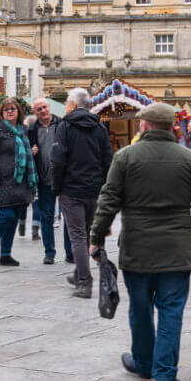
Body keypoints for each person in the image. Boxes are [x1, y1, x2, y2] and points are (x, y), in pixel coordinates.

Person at [90, 102, 191, 381]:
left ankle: (144, 363)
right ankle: (165, 374)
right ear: (173, 126)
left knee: (140, 307)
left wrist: (96, 238)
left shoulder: (125, 157)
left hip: (137, 247)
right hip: (176, 248)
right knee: (172, 309)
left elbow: (108, 201)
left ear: (144, 126)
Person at [52, 87, 113, 298]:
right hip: (94, 189)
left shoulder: (65, 125)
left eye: (67, 102)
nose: (66, 106)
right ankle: (79, 274)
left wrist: (56, 187)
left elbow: (58, 158)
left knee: (77, 235)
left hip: (71, 188)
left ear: (73, 105)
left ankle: (85, 283)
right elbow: (108, 159)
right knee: (86, 234)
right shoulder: (99, 127)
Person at [0, 97, 36, 267]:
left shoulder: (22, 130)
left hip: (20, 182)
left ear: (18, 111)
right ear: (2, 113)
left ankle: (5, 254)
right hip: (2, 181)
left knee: (13, 219)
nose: (11, 112)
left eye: (13, 109)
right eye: (7, 110)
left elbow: (25, 153)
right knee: (6, 215)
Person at [27, 97, 60, 263]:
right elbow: (25, 154)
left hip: (63, 178)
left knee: (69, 217)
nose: (43, 111)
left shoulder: (62, 125)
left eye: (44, 107)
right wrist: (30, 153)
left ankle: (70, 252)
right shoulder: (32, 130)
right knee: (46, 216)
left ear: (49, 107)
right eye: (39, 109)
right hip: (44, 179)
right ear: (35, 112)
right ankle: (49, 252)